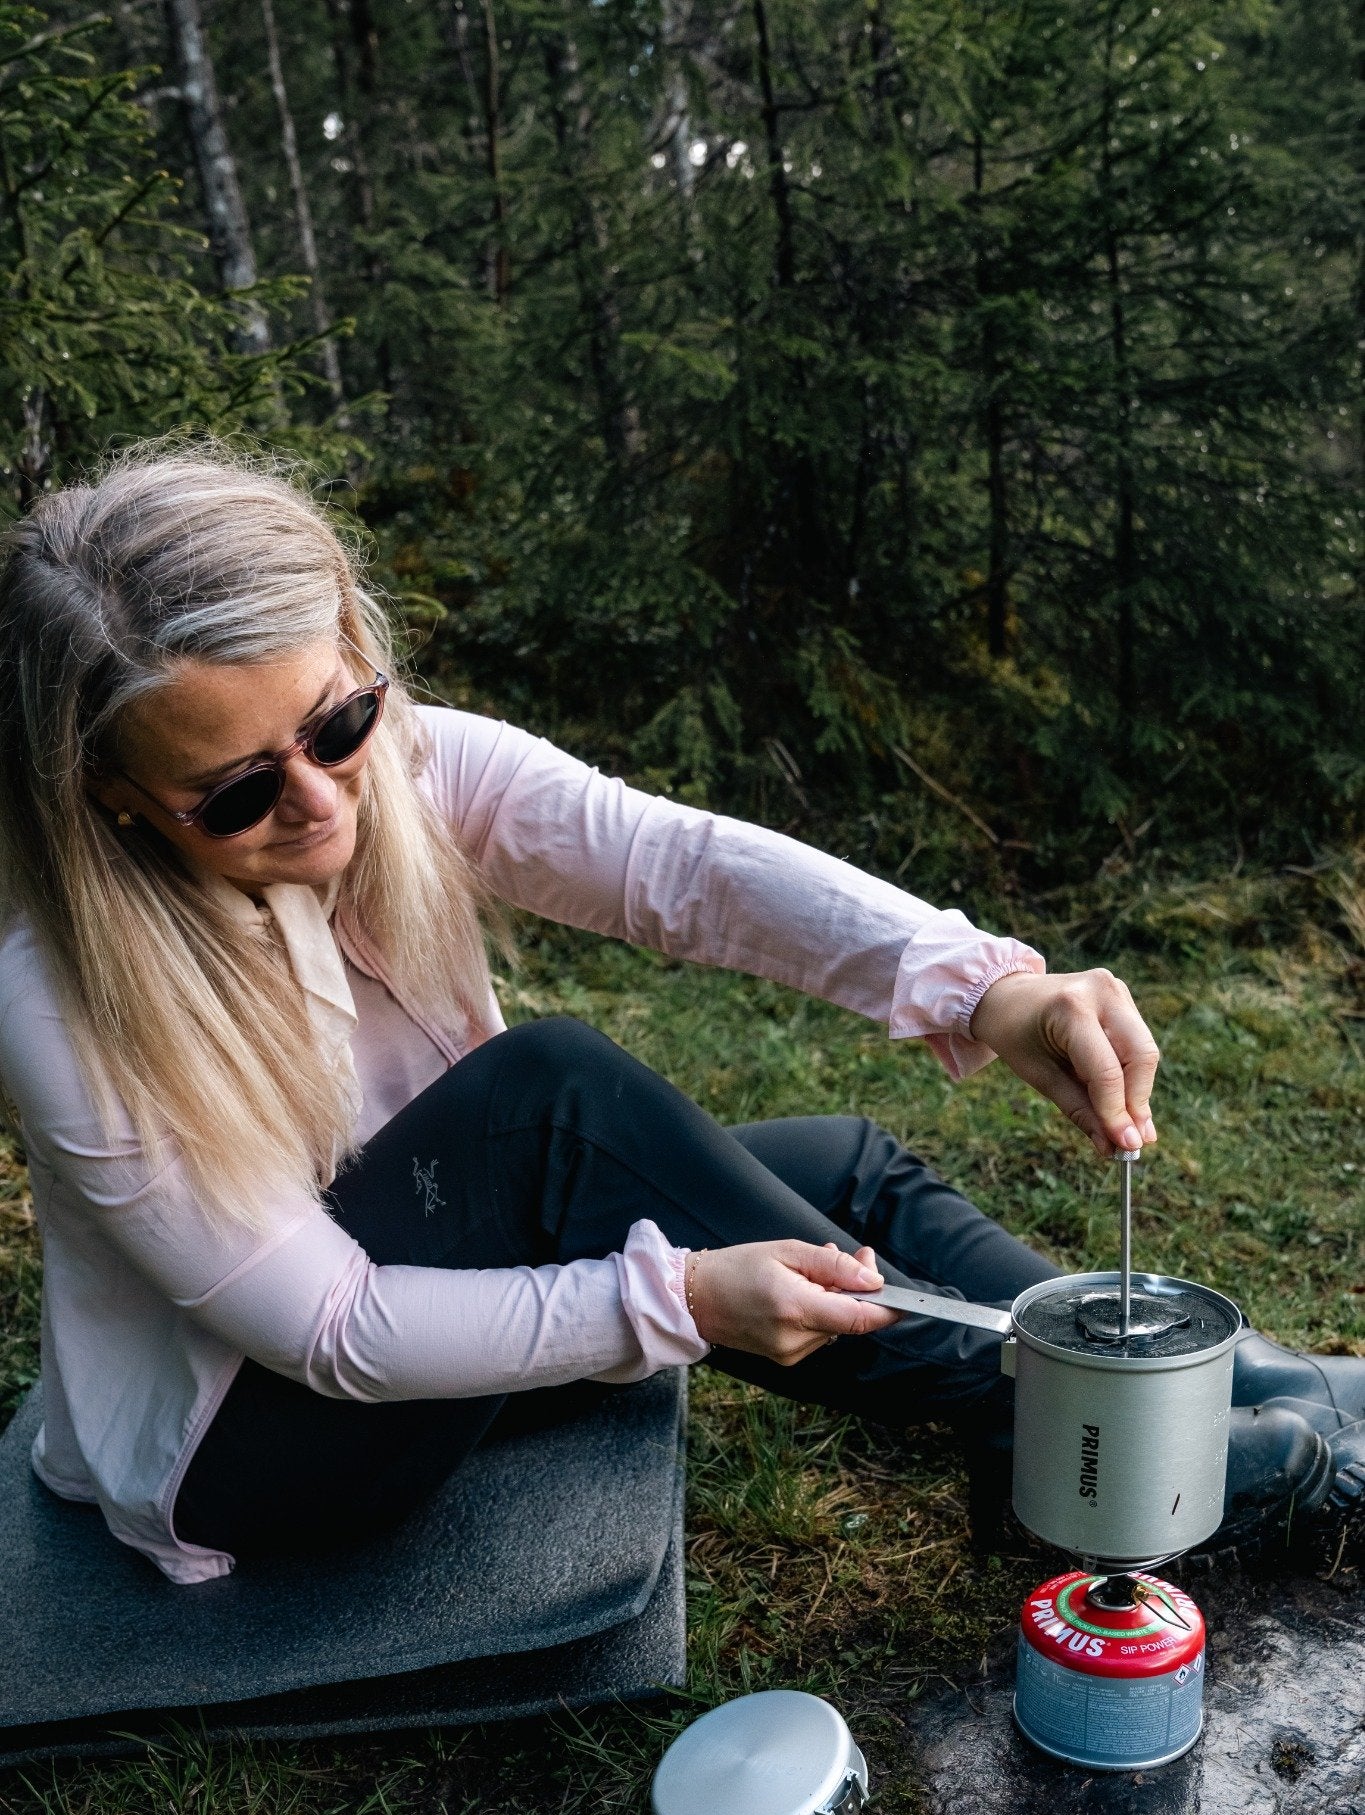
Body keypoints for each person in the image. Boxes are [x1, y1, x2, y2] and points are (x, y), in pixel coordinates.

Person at [0, 448, 1356, 1587]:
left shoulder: (399, 771)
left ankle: (1211, 1376)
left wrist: (982, 984)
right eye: (237, 793)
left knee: (836, 1166)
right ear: (110, 794)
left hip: (422, 1271)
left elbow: (678, 871)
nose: (321, 803)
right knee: (553, 1104)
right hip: (258, 1452)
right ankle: (1081, 1440)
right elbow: (335, 1329)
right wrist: (674, 1299)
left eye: (339, 721)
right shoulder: (59, 997)